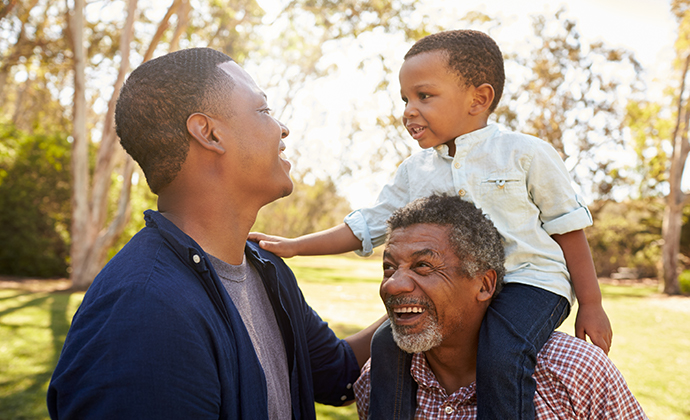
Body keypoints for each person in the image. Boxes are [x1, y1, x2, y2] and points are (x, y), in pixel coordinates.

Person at [249, 29, 612, 418]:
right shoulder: (414, 171)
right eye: (405, 99)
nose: (409, 110)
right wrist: (294, 246)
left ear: (480, 98)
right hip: (456, 291)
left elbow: (568, 229)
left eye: (424, 96)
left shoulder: (525, 154)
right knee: (387, 345)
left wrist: (591, 304)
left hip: (529, 284)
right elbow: (368, 224)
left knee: (503, 352)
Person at [47, 47, 382, 420]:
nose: (282, 128)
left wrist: (422, 298)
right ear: (209, 133)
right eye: (263, 111)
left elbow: (338, 375)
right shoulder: (144, 310)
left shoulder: (266, 269)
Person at [353, 194, 647, 420]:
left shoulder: (576, 372)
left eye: (423, 266)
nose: (392, 286)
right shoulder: (377, 380)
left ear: (484, 285)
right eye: (389, 268)